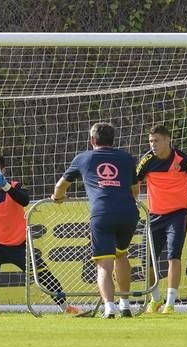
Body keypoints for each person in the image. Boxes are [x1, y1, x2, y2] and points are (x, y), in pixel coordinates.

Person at [0, 153, 81, 315]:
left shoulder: (15, 186)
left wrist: (6, 186)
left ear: (3, 170)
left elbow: (24, 200)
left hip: (20, 245)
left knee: (45, 277)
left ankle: (66, 307)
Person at [52, 122, 140, 319]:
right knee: (122, 255)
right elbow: (136, 189)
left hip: (103, 212)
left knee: (104, 264)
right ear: (113, 139)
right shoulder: (126, 158)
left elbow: (61, 186)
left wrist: (57, 198)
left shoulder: (84, 158)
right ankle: (125, 305)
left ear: (92, 140)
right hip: (128, 211)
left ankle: (109, 308)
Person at [136, 124, 187, 314]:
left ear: (168, 140)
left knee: (173, 256)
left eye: (157, 141)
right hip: (154, 216)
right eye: (151, 141)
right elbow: (134, 182)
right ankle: (156, 299)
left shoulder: (183, 160)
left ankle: (170, 303)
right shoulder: (147, 160)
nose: (153, 145)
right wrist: (132, 205)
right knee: (146, 261)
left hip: (177, 215)